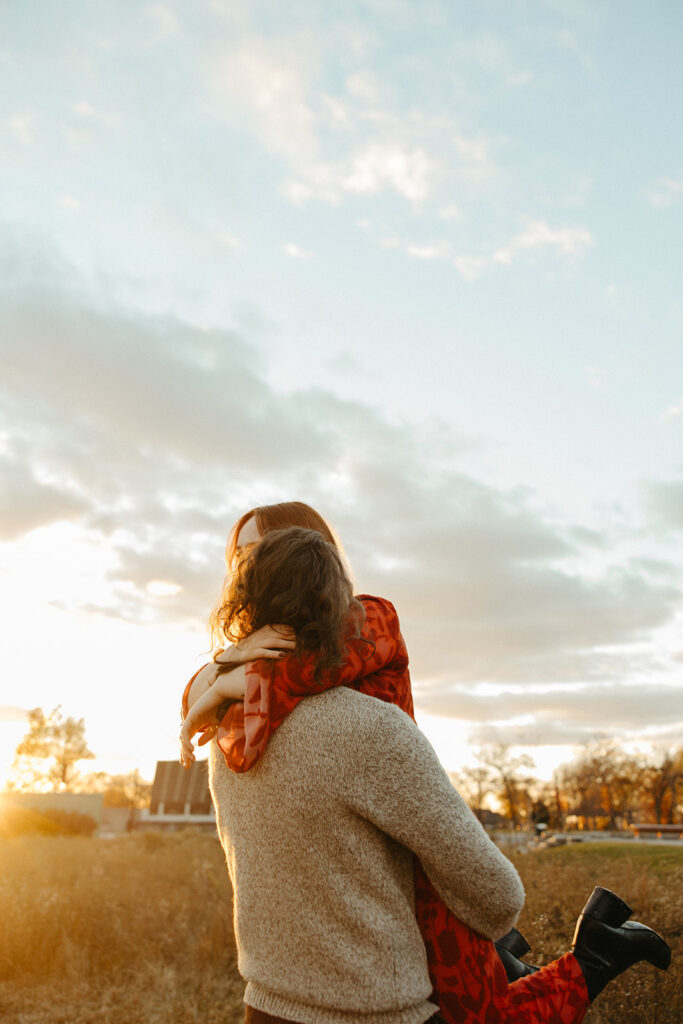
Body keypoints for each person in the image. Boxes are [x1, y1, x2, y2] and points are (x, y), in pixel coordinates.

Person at [181, 503, 670, 1024]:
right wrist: (229, 673)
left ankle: (571, 955)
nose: (244, 564)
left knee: (490, 1002)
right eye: (240, 555)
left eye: (256, 552)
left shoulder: (238, 721)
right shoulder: (308, 719)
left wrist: (229, 675)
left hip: (270, 1003)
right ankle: (592, 956)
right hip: (382, 1001)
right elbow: (499, 898)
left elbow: (294, 672)